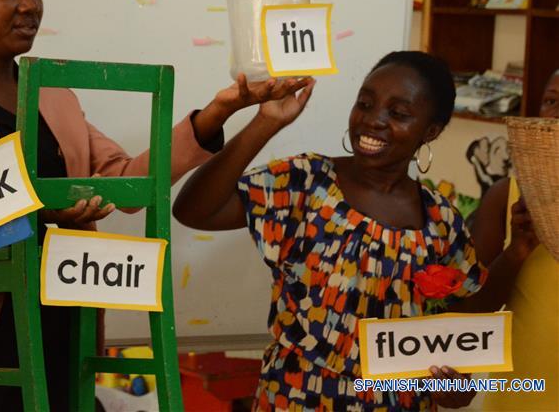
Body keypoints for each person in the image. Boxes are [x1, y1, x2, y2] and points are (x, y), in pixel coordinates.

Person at [0, 0, 308, 411]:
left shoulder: (54, 96)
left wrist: (219, 111)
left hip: (60, 337)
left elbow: (127, 182)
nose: (30, 5)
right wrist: (41, 214)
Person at [172, 51, 532, 411]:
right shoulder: (306, 182)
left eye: (398, 113)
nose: (373, 120)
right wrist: (266, 123)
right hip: (296, 400)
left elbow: (466, 313)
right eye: (365, 104)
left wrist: (456, 383)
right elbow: (194, 210)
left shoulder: (440, 220)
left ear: (430, 131)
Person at [473, 69, 559, 411]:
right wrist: (517, 251)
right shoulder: (506, 196)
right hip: (518, 399)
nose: (557, 115)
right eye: (551, 101)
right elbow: (470, 309)